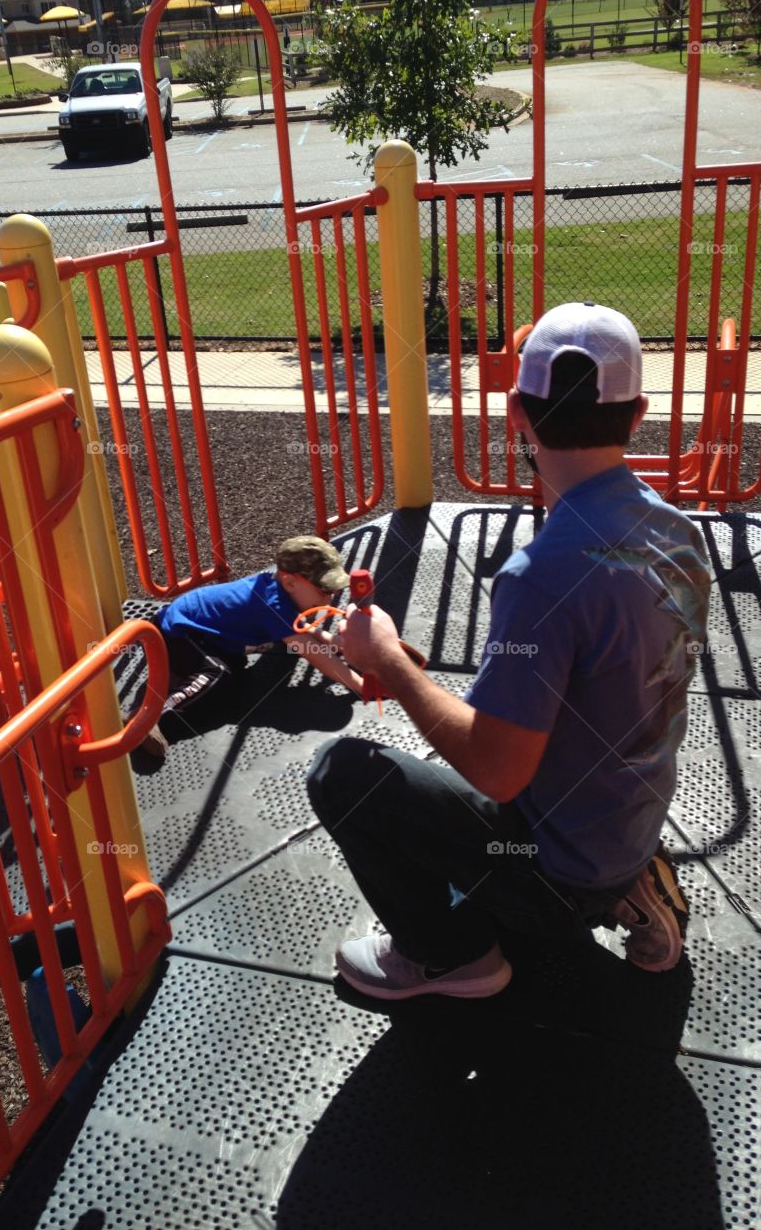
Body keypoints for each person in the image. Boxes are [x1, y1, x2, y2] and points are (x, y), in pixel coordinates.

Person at [307, 302, 712, 1000]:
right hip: (630, 822)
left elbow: (497, 772)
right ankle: (633, 883)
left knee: (341, 771)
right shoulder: (679, 532)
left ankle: (449, 955)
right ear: (638, 410)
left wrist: (388, 662)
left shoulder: (541, 576)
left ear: (517, 413)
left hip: (554, 873)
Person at [141, 535, 363, 757]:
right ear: (290, 582)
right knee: (220, 675)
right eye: (323, 590)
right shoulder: (272, 605)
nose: (330, 599)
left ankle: (179, 677)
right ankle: (149, 717)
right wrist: (360, 685)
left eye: (333, 592)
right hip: (173, 634)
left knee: (235, 678)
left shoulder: (280, 592)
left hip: (205, 638)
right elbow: (316, 657)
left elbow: (300, 629)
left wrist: (334, 642)